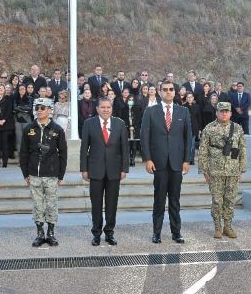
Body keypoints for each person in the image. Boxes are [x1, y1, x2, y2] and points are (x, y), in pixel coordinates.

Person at [140, 81, 192, 244]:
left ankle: (176, 232)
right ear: (159, 92)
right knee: (159, 200)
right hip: (159, 163)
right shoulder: (150, 111)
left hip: (177, 163)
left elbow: (187, 137)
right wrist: (148, 159)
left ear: (174, 92)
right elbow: (144, 137)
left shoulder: (183, 112)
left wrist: (186, 160)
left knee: (175, 200)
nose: (168, 92)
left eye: (171, 90)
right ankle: (157, 233)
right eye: (165, 90)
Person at [80, 97, 129, 246]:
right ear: (97, 109)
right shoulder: (89, 123)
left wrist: (124, 169)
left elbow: (124, 148)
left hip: (114, 170)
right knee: (96, 204)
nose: (105, 110)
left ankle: (109, 233)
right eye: (103, 107)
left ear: (111, 108)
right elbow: (84, 148)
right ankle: (96, 233)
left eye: (108, 107)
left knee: (112, 204)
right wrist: (84, 169)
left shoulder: (120, 124)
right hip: (95, 170)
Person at [20, 98, 67, 247]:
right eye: (37, 108)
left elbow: (63, 153)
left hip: (52, 173)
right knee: (37, 205)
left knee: (51, 204)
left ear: (49, 110)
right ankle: (40, 233)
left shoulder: (57, 129)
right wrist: (25, 173)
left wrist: (61, 175)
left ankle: (51, 233)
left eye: (42, 108)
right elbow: (23, 153)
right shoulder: (29, 129)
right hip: (34, 173)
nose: (39, 110)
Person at [198, 101, 246, 239]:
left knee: (230, 200)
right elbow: (203, 151)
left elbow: (242, 148)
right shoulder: (209, 128)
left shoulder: (237, 128)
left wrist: (241, 169)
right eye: (221, 111)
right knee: (217, 200)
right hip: (215, 170)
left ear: (231, 113)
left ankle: (228, 226)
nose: (224, 113)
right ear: (216, 113)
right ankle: (217, 227)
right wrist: (204, 171)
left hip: (232, 170)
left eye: (226, 111)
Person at [184, 93, 202, 165]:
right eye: (188, 97)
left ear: (193, 98)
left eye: (190, 97)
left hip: (194, 128)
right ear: (186, 99)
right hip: (185, 128)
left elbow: (199, 118)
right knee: (186, 144)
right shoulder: (183, 107)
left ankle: (191, 160)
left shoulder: (197, 107)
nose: (189, 98)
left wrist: (200, 129)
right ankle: (186, 159)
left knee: (192, 144)